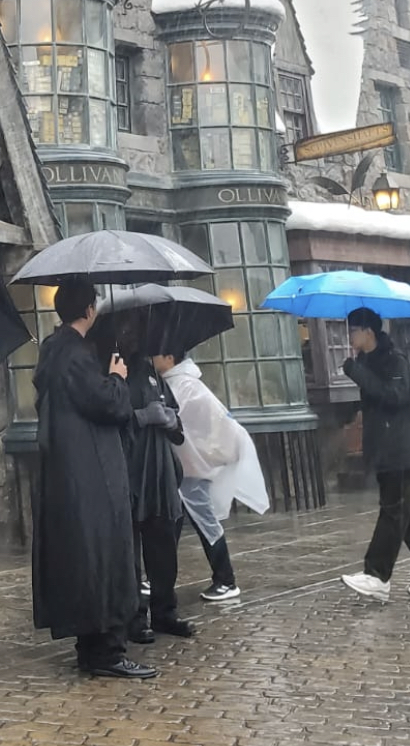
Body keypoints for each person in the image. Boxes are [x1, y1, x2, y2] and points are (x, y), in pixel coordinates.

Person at [32, 281, 155, 679]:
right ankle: (107, 651)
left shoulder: (53, 350)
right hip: (92, 471)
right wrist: (117, 377)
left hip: (68, 471)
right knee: (105, 552)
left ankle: (90, 646)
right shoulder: (75, 354)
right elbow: (109, 405)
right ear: (88, 310)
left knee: (84, 556)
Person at [340, 306, 410, 601]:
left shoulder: (393, 359)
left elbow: (395, 396)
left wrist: (357, 373)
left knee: (393, 512)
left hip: (402, 448)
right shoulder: (367, 360)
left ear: (368, 332)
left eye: (353, 331)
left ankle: (377, 575)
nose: (350, 336)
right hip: (387, 450)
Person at [152, 347, 269, 603]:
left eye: (157, 353)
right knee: (173, 523)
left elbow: (188, 422)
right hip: (185, 467)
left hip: (192, 469)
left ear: (170, 357)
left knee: (203, 523)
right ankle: (160, 578)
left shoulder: (186, 386)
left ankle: (226, 579)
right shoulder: (176, 383)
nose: (153, 357)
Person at [118, 321, 193, 642]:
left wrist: (171, 420)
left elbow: (176, 422)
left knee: (163, 548)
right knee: (130, 552)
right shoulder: (114, 374)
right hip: (130, 470)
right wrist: (140, 417)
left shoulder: (154, 375)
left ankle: (165, 611)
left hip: (160, 474)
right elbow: (109, 418)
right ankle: (134, 618)